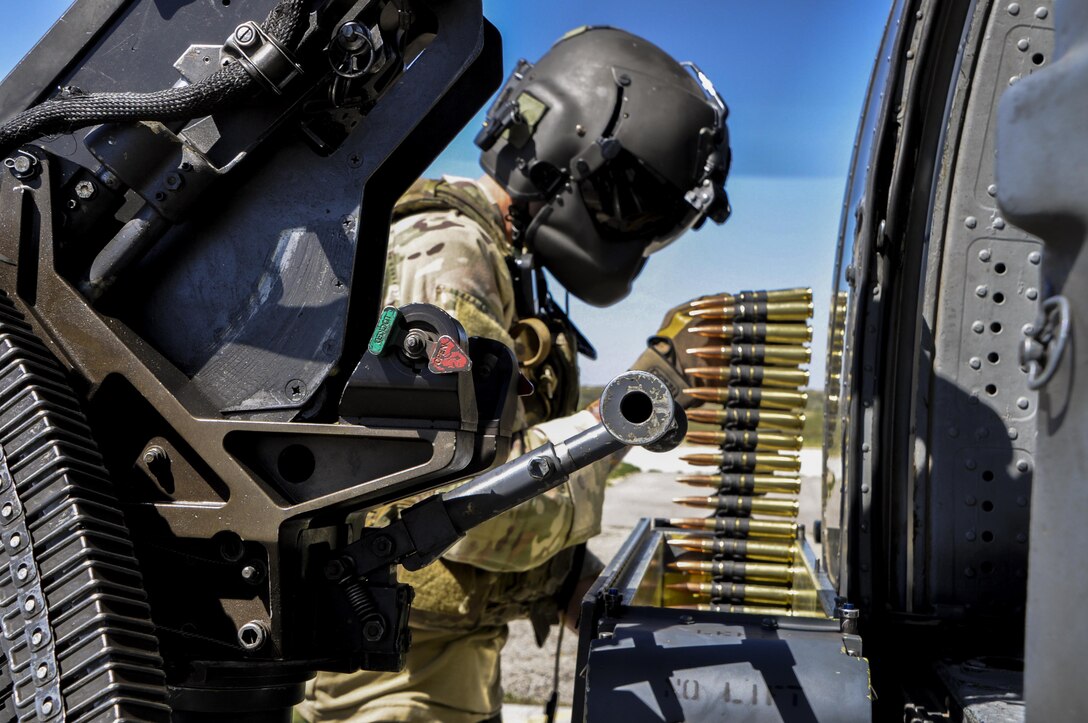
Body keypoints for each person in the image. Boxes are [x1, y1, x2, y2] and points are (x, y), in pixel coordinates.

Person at [296, 25, 731, 723]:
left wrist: (572, 587)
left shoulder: (498, 262)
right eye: (633, 203)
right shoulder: (446, 261)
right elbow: (451, 504)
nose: (636, 236)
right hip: (392, 686)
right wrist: (621, 416)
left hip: (441, 666)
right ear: (567, 154)